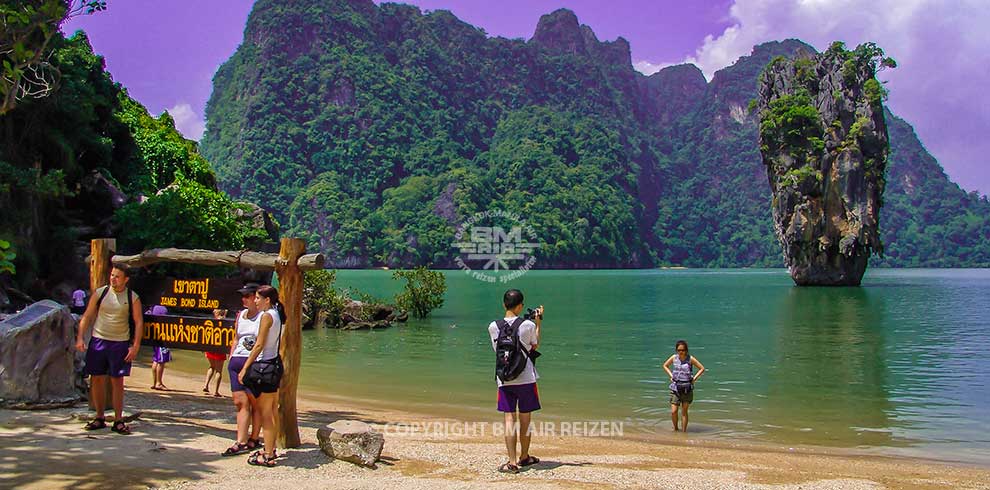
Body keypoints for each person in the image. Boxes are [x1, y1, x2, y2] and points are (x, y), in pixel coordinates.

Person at [75, 264, 144, 435]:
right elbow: (88, 315)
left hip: (119, 343)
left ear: (126, 279)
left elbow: (139, 322)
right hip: (99, 339)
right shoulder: (101, 293)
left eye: (117, 276)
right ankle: (99, 417)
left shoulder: (132, 297)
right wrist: (80, 337)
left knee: (117, 381)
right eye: (112, 275)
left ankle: (118, 420)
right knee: (96, 379)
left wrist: (135, 346)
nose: (113, 279)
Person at [487, 289, 543, 474]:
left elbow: (497, 350)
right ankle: (524, 457)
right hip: (526, 378)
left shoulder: (493, 326)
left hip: (504, 378)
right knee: (525, 418)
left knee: (509, 418)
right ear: (520, 306)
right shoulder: (527, 325)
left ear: (504, 305)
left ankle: (511, 462)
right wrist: (538, 322)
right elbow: (534, 345)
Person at [238, 285, 285, 467]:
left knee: (266, 413)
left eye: (258, 298)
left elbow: (259, 345)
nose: (255, 301)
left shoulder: (266, 316)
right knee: (272, 409)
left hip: (265, 367)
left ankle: (268, 454)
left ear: (267, 300)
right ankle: (271, 448)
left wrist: (245, 368)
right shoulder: (277, 314)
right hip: (274, 365)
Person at [221, 283, 265, 457]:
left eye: (247, 295)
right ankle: (241, 440)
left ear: (256, 297)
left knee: (256, 403)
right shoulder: (241, 315)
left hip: (253, 362)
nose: (244, 299)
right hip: (237, 361)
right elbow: (236, 338)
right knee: (240, 403)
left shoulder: (264, 316)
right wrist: (231, 356)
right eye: (243, 296)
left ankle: (254, 438)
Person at [662, 340, 706, 432]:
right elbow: (665, 365)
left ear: (686, 350)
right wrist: (671, 376)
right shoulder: (674, 358)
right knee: (674, 411)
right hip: (675, 387)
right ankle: (675, 429)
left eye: (682, 350)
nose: (681, 352)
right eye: (679, 350)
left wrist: (694, 379)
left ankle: (684, 432)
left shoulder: (690, 359)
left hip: (687, 388)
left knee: (684, 412)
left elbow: (702, 368)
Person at [203, 308, 229, 397]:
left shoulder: (212, 322)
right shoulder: (225, 323)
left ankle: (206, 385)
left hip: (210, 346)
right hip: (220, 348)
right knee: (219, 370)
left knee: (211, 366)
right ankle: (216, 391)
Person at [147, 304, 170, 390]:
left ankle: (155, 382)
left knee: (156, 360)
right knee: (161, 361)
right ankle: (158, 383)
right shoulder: (162, 309)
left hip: (154, 337)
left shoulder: (152, 307)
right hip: (162, 338)